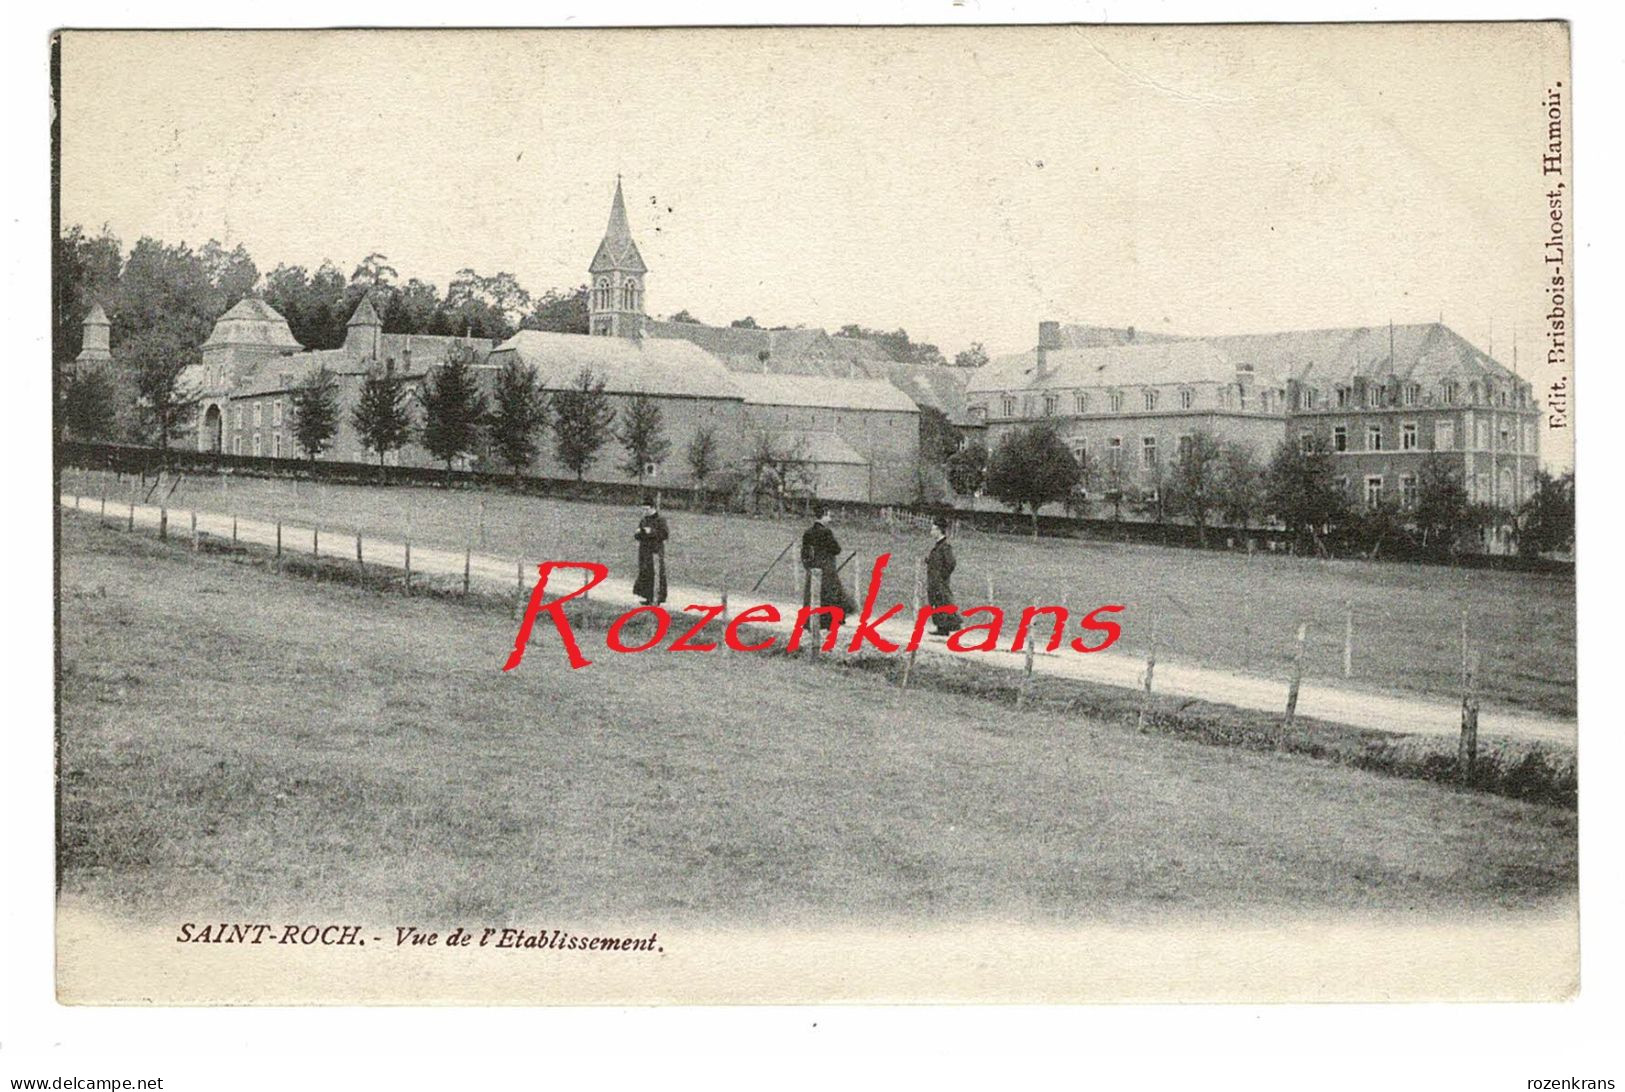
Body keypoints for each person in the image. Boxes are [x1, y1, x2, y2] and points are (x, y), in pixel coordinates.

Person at [799, 503, 855, 614]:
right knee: (830, 593)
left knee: (813, 593)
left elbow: (804, 553)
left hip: (813, 567)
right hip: (827, 567)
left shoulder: (808, 532)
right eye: (828, 516)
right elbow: (836, 549)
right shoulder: (826, 532)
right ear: (823, 516)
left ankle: (812, 619)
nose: (829, 519)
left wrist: (808, 567)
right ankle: (830, 618)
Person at [924, 514, 964, 638]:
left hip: (939, 580)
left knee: (943, 602)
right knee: (937, 602)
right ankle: (942, 627)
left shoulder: (944, 546)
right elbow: (938, 561)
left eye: (933, 529)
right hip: (934, 580)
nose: (931, 531)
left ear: (939, 530)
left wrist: (943, 576)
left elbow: (951, 562)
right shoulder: (938, 546)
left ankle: (950, 625)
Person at [632, 495, 668, 606]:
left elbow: (664, 534)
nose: (645, 512)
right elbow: (637, 536)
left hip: (655, 551)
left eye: (647, 509)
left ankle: (657, 598)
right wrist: (639, 533)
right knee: (645, 572)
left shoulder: (660, 520)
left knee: (656, 573)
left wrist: (651, 532)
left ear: (653, 508)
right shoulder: (644, 520)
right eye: (643, 509)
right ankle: (647, 597)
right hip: (644, 550)